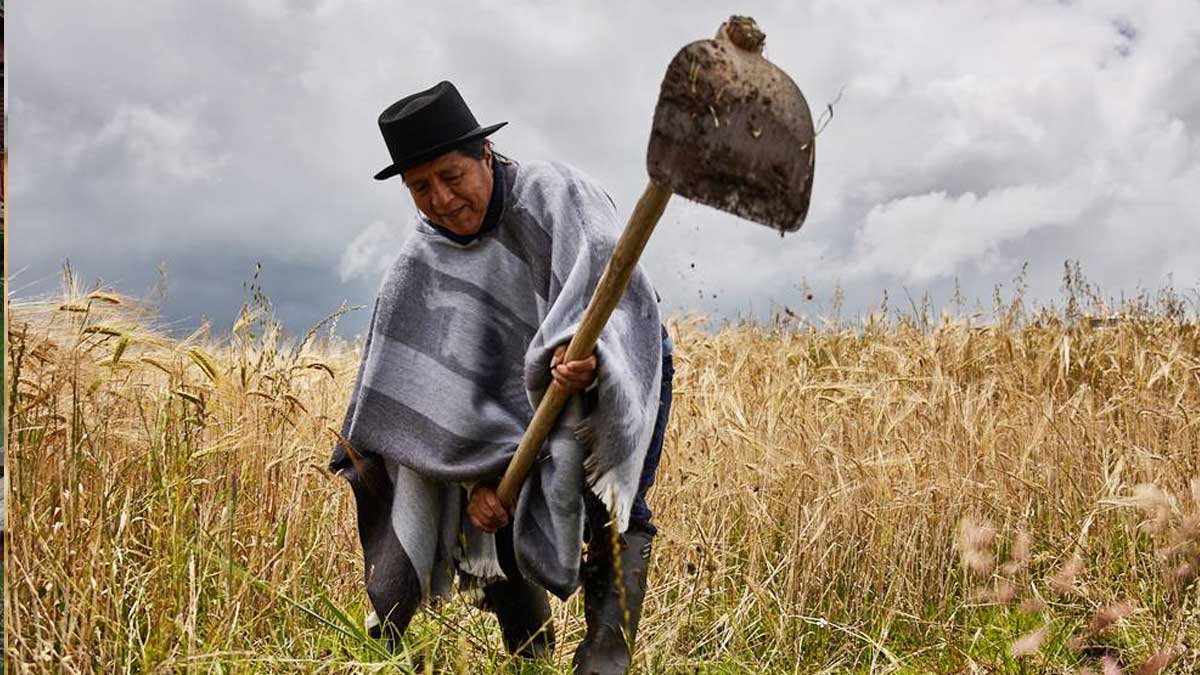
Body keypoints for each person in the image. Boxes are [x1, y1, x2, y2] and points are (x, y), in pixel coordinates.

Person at [329, 80, 673, 674]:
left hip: (618, 370)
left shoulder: (558, 196)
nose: (440, 199)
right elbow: (437, 407)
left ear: (485, 155)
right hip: (527, 406)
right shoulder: (421, 262)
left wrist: (589, 356)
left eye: (452, 176)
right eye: (419, 187)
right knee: (494, 516)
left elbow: (614, 301)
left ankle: (603, 660)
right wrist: (474, 483)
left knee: (616, 508)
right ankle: (529, 653)